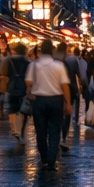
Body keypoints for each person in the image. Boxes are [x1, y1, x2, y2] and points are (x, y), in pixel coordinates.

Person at [26, 39, 71, 170]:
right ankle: (52, 160)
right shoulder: (59, 65)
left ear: (40, 51)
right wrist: (68, 103)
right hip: (56, 100)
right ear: (52, 50)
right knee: (55, 131)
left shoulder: (33, 65)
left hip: (39, 101)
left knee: (40, 131)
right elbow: (65, 86)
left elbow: (28, 82)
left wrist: (32, 89)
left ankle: (44, 158)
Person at [5, 42, 31, 145]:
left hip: (12, 85)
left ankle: (15, 129)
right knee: (23, 110)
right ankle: (21, 131)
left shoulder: (9, 60)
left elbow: (5, 73)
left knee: (12, 108)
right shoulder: (27, 62)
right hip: (23, 86)